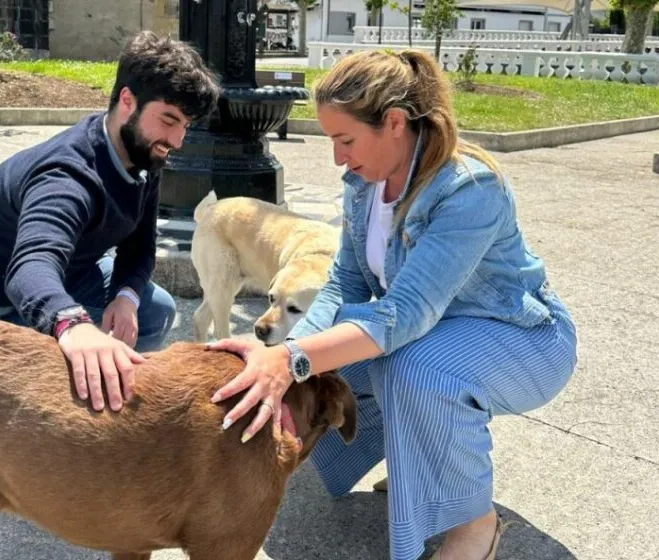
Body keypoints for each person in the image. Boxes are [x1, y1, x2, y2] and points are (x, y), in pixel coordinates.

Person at [208, 49, 577, 560]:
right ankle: (421, 475)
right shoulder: (365, 184)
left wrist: (292, 359)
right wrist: (291, 352)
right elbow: (344, 285)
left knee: (411, 369)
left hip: (521, 339)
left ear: (396, 123)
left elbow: (405, 314)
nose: (338, 158)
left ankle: (476, 524)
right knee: (332, 361)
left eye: (346, 140)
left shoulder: (470, 189)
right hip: (435, 332)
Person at [0, 31, 221, 414]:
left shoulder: (142, 153)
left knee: (151, 309)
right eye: (169, 120)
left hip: (64, 271)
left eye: (185, 125)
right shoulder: (67, 176)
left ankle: (99, 406)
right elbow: (30, 268)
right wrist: (74, 326)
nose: (177, 140)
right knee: (1, 419)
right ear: (128, 100)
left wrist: (125, 297)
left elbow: (139, 247)